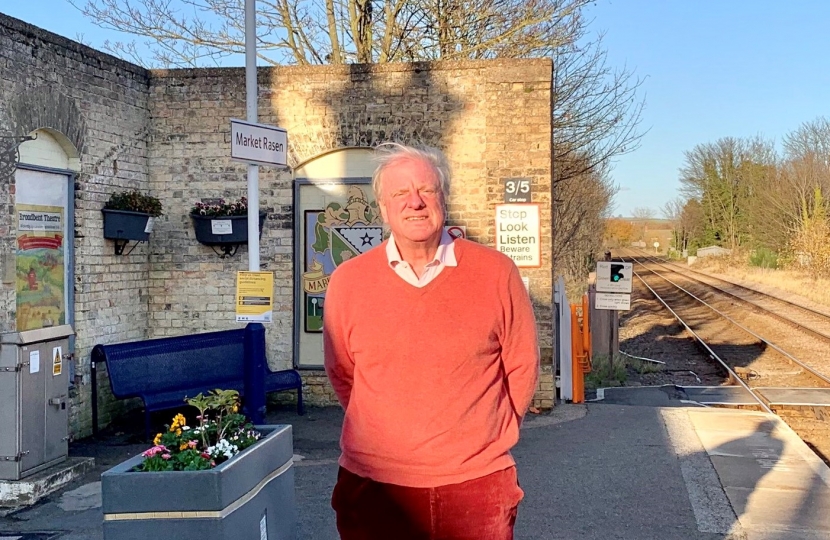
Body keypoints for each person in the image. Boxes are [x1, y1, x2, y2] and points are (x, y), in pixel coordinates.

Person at [323, 142, 540, 540]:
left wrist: (487, 436)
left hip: (476, 484)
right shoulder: (349, 282)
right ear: (383, 208)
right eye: (400, 193)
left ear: (443, 198)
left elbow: (522, 364)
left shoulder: (495, 273)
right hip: (374, 488)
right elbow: (343, 373)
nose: (415, 202)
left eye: (426, 190)